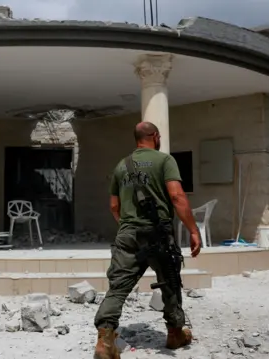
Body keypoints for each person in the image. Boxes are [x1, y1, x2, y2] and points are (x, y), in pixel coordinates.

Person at [93, 122, 202, 359]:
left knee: (118, 286)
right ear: (154, 136)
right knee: (170, 282)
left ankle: (105, 340)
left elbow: (114, 206)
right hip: (157, 234)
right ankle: (175, 333)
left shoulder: (121, 165)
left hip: (127, 233)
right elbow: (176, 195)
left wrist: (127, 225)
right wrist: (193, 230)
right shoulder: (165, 160)